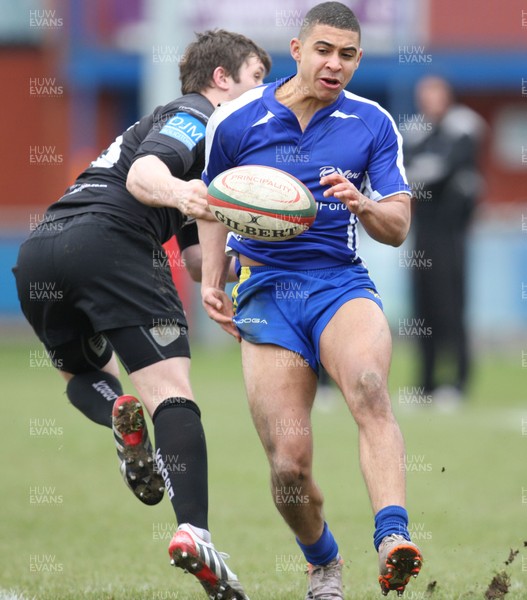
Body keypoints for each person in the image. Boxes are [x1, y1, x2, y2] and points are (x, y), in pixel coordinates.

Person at [13, 29, 270, 600]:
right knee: (172, 395)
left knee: (84, 376)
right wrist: (184, 196)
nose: (265, 93)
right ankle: (195, 532)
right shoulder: (196, 114)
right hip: (113, 240)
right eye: (257, 79)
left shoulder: (200, 143)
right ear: (221, 79)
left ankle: (116, 417)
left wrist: (260, 250)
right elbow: (144, 177)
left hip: (43, 249)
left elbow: (204, 262)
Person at [198, 3, 423, 598]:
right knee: (288, 466)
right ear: (296, 50)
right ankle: (323, 560)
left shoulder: (372, 123)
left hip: (338, 283)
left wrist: (364, 204)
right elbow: (214, 200)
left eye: (348, 54)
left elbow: (398, 225)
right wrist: (211, 278)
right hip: (267, 291)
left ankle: (393, 537)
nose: (335, 64)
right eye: (324, 49)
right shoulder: (236, 120)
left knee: (371, 387)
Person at [402, 75, 486, 408]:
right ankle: (426, 385)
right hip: (422, 230)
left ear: (447, 95)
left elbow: (444, 170)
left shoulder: (464, 126)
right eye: (424, 94)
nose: (429, 100)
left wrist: (422, 172)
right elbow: (405, 170)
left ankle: (458, 383)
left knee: (452, 306)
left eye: (435, 94)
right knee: (423, 309)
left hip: (451, 231)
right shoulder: (416, 130)